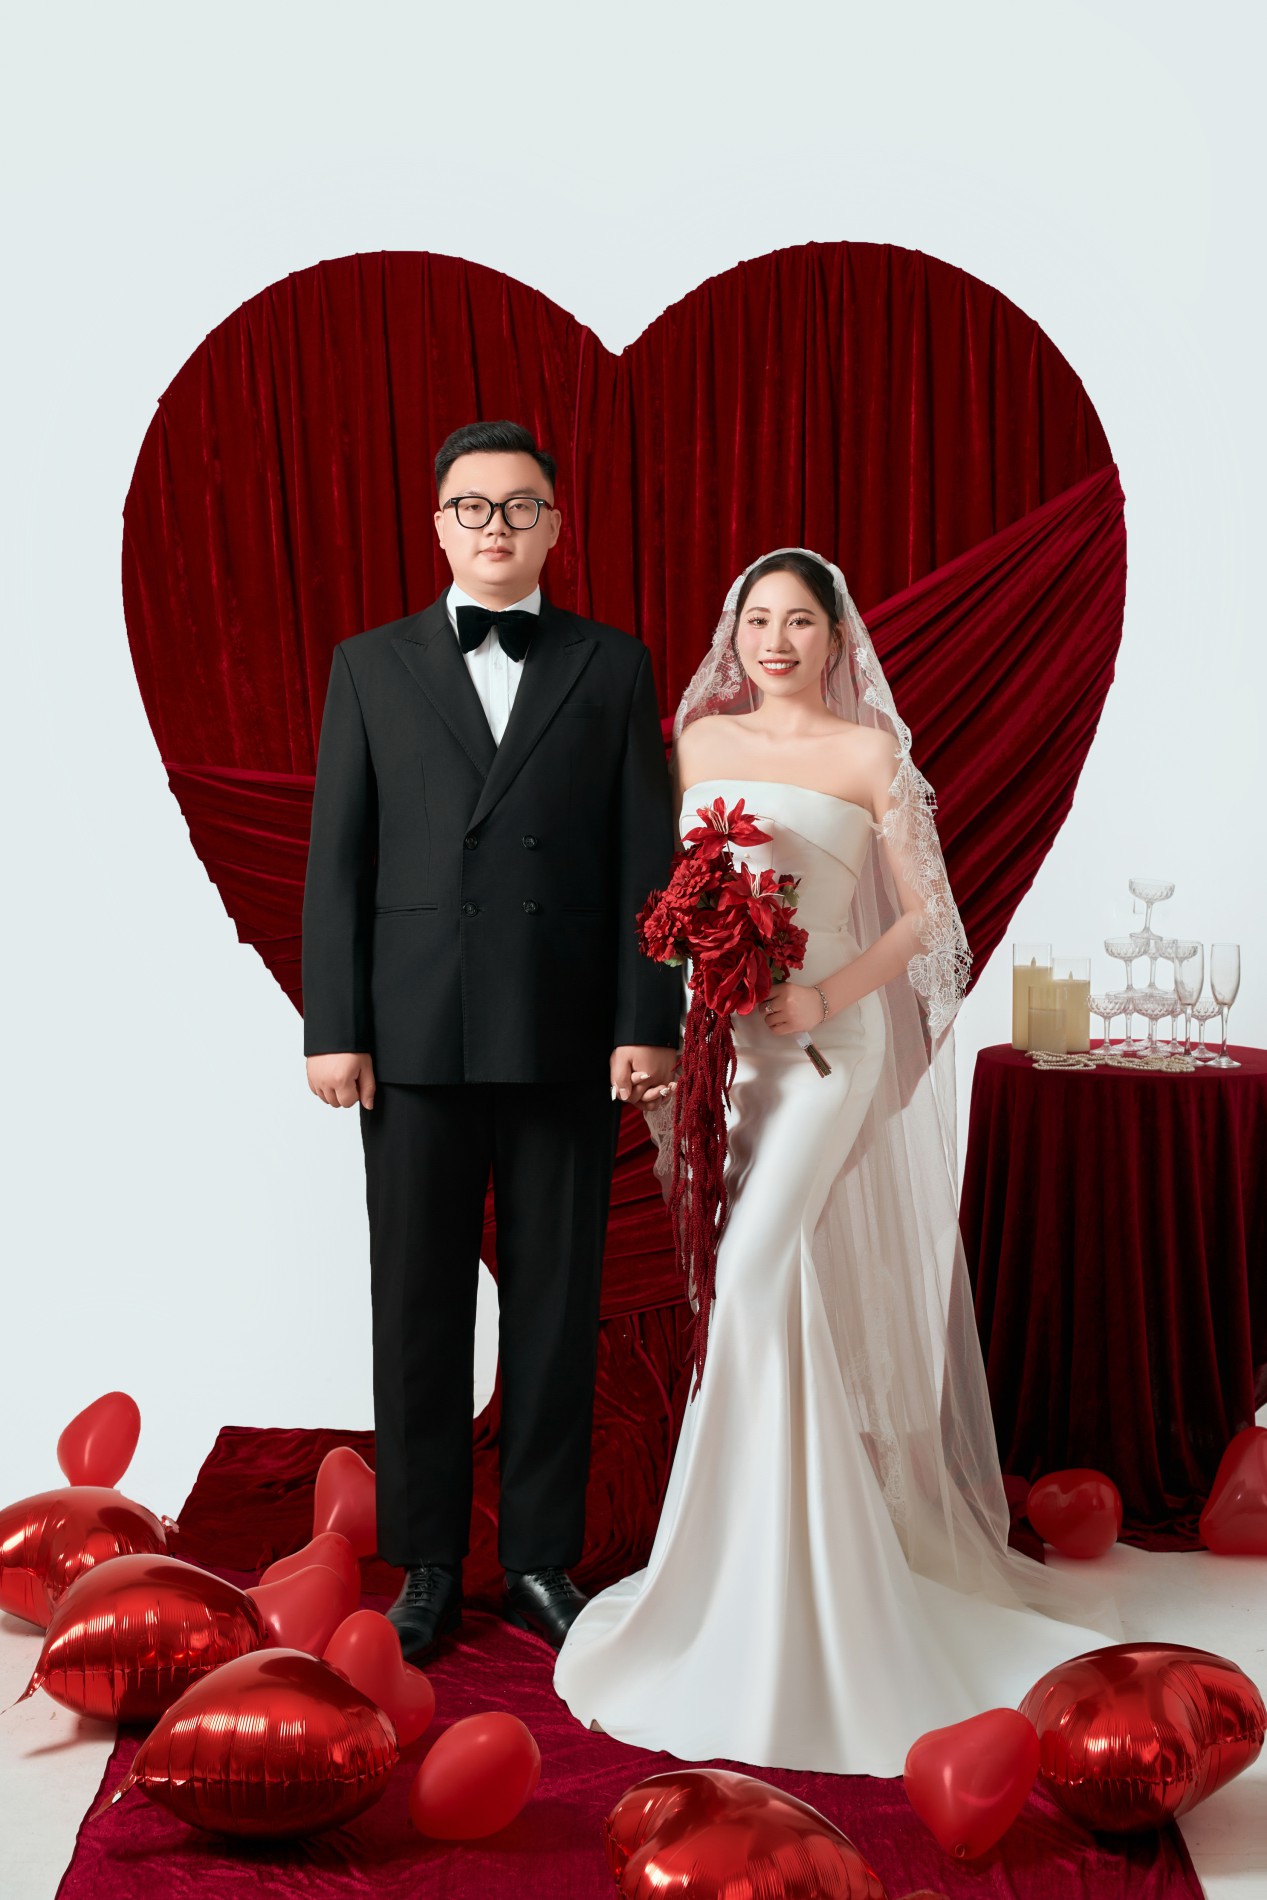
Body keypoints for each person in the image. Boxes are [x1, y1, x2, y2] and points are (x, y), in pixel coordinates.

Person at [552, 547, 1119, 1774]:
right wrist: (665, 1018)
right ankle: (735, 1568)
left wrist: (825, 994)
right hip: (719, 1054)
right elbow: (658, 893)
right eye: (755, 618)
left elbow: (926, 917)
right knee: (743, 1291)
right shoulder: (698, 742)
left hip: (822, 1050)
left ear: (834, 637)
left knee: (756, 1278)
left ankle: (805, 1582)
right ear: (733, 633)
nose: (774, 639)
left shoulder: (869, 759)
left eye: (797, 620)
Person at [301, 420, 680, 1660]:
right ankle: (423, 1560)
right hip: (409, 1034)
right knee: (415, 1301)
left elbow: (646, 859)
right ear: (439, 526)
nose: (497, 527)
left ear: (555, 525)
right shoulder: (369, 664)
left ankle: (536, 1559)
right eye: (474, 507)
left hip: (565, 1030)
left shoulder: (612, 666)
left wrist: (647, 1019)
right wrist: (333, 1026)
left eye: (521, 507)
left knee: (557, 1303)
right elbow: (337, 860)